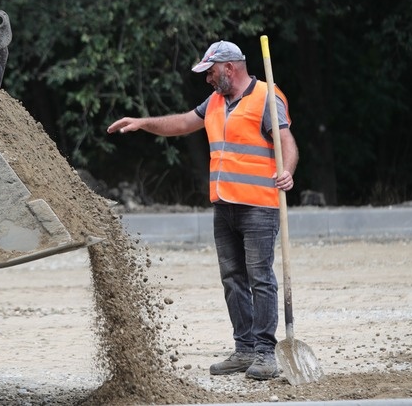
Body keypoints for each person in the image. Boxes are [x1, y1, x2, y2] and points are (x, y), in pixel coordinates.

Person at [107, 40, 298, 380]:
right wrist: (142, 122)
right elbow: (181, 123)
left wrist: (288, 172)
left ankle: (265, 354)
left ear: (229, 68)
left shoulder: (267, 98)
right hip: (224, 205)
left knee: (261, 279)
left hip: (258, 205)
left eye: (210, 72)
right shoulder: (215, 101)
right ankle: (244, 350)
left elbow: (286, 143)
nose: (208, 79)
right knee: (233, 280)